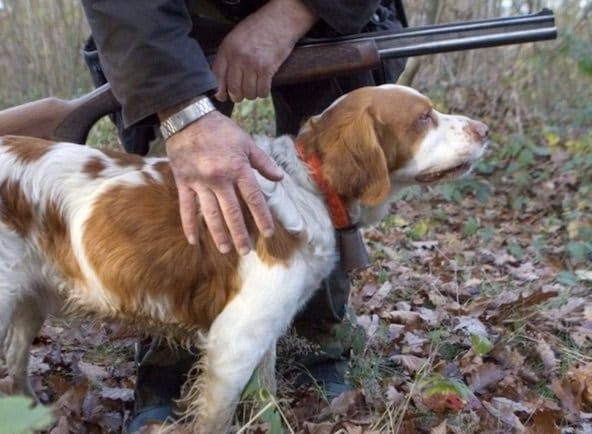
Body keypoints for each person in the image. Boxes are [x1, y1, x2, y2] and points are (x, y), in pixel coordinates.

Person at [80, 0, 407, 431]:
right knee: (181, 175)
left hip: (334, 19)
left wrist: (295, 11)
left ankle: (318, 346)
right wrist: (179, 109)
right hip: (172, 29)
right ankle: (169, 365)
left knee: (335, 176)